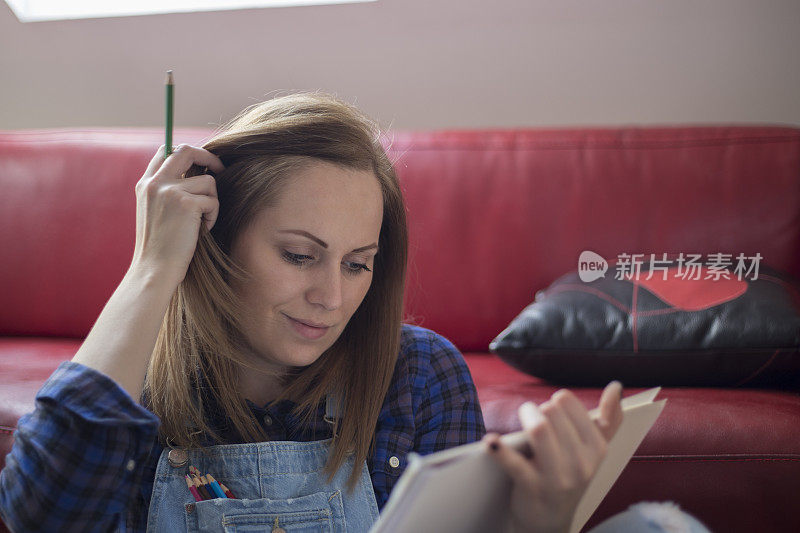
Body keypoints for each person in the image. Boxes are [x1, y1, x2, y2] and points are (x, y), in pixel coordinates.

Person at [0, 92, 711, 533]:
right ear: (213, 241)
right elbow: (39, 514)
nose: (333, 299)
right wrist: (155, 267)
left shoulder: (421, 372)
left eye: (357, 262)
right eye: (301, 255)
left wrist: (543, 521)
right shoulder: (126, 392)